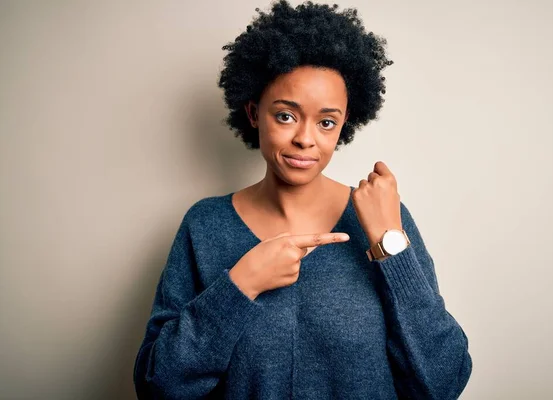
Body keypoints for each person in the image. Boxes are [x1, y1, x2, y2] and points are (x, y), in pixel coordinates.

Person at [133, 0, 473, 398]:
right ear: (254, 112)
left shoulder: (383, 220)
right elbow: (158, 386)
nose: (306, 139)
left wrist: (388, 245)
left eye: (326, 122)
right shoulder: (205, 225)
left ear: (344, 125)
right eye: (286, 115)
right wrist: (240, 284)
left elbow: (443, 382)